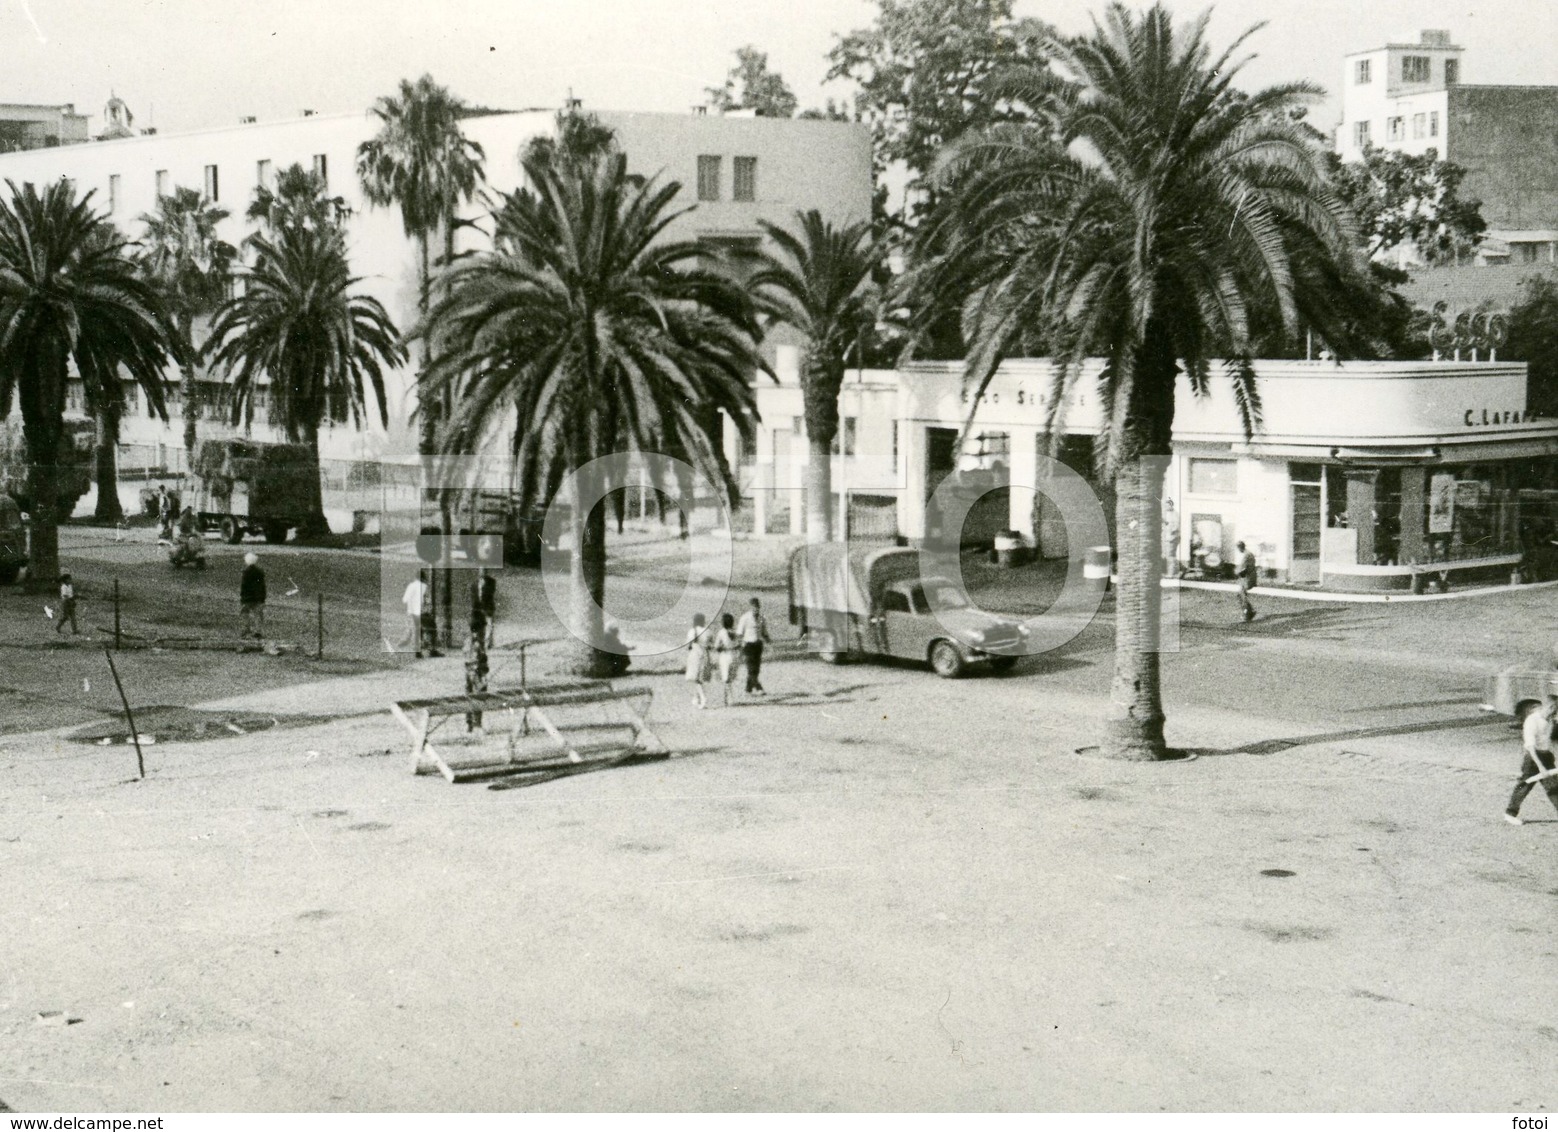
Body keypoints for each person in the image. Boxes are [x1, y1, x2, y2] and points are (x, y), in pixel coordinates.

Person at [1506, 696, 1558, 825]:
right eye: (1554, 709)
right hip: (1533, 758)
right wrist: (1541, 767)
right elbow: (1530, 746)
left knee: (1554, 787)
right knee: (1525, 784)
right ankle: (1510, 813)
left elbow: (1551, 741)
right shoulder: (1532, 721)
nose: (1555, 713)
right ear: (1548, 707)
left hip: (1546, 755)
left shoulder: (1550, 719)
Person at [735, 596, 771, 695]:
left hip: (758, 645)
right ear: (751, 607)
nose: (756, 609)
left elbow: (764, 632)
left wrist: (768, 641)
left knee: (757, 668)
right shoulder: (745, 618)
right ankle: (759, 687)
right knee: (751, 668)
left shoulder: (762, 618)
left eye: (757, 607)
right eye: (754, 607)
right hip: (748, 645)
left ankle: (748, 689)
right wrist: (740, 644)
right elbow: (739, 633)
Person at [463, 615, 490, 735]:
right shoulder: (476, 643)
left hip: (468, 673)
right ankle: (477, 723)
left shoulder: (467, 640)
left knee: (469, 697)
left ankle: (469, 724)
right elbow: (475, 660)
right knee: (479, 696)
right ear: (479, 629)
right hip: (476, 673)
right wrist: (480, 675)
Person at [712, 612, 739, 707]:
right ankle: (728, 698)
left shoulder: (721, 632)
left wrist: (721, 647)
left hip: (725, 656)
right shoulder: (735, 632)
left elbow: (716, 647)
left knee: (725, 678)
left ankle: (728, 698)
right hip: (734, 655)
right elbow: (738, 645)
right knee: (730, 678)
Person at [685, 613, 711, 709]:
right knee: (700, 678)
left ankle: (703, 698)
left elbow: (688, 645)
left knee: (695, 679)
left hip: (695, 655)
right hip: (705, 655)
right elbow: (710, 644)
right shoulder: (708, 631)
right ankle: (696, 698)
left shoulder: (693, 631)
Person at [402, 571, 430, 658]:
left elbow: (404, 600)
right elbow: (427, 601)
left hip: (411, 612)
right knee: (424, 628)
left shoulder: (411, 586)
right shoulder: (424, 587)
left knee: (417, 630)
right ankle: (425, 647)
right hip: (420, 612)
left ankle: (417, 647)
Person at [239, 552, 266, 640]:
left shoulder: (245, 572)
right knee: (258, 614)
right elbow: (262, 586)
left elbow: (244, 586)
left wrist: (242, 597)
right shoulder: (260, 572)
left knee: (245, 614)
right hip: (258, 597)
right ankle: (258, 632)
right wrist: (262, 597)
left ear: (246, 561)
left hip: (248, 597)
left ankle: (245, 631)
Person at [470, 568, 497, 649]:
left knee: (489, 624)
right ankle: (478, 641)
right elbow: (473, 595)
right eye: (481, 571)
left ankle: (489, 643)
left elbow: (491, 592)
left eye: (484, 571)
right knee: (477, 624)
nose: (483, 573)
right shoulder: (475, 583)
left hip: (487, 606)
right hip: (478, 606)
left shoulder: (491, 581)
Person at [1235, 540, 1258, 622]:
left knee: (1241, 594)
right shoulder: (1248, 554)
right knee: (1241, 594)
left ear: (1241, 547)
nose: (1238, 550)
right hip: (1248, 577)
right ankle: (1249, 611)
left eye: (1238, 548)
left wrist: (1237, 572)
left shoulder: (1246, 555)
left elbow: (1243, 568)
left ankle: (1247, 613)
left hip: (1248, 578)